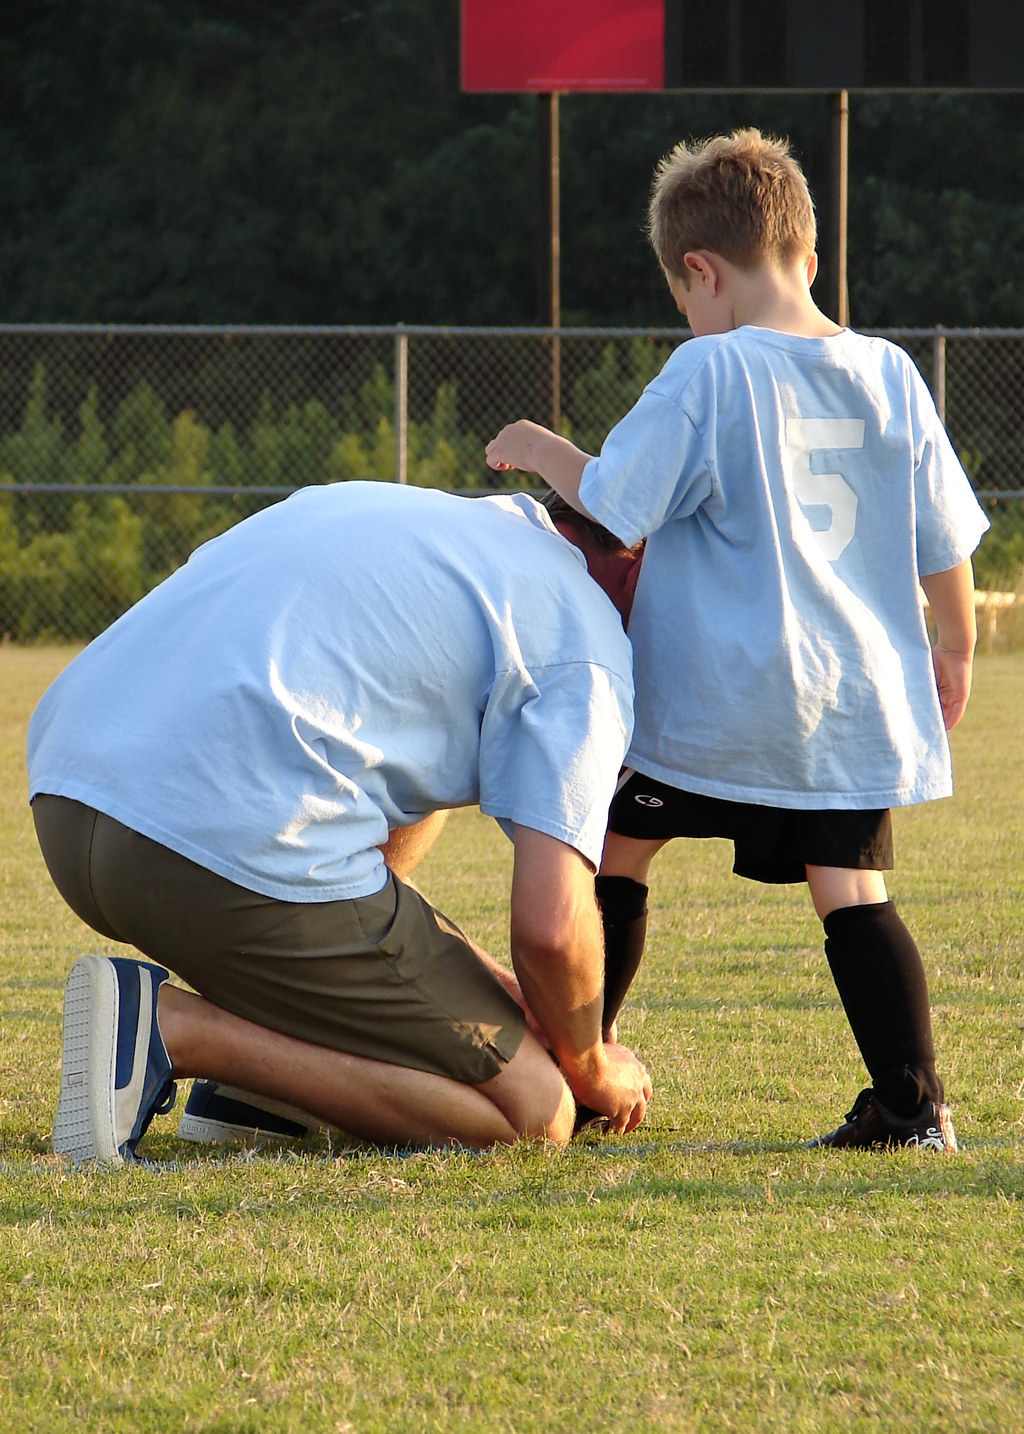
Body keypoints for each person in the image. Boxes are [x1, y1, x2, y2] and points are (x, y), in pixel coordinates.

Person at [485, 128, 989, 1152]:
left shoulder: (708, 374)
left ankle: (588, 1071)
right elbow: (944, 539)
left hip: (714, 703)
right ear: (807, 259)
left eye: (685, 295)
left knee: (615, 856)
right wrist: (953, 647)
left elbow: (619, 505)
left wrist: (541, 447)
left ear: (701, 271)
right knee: (851, 892)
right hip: (848, 703)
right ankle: (911, 1107)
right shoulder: (889, 371)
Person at [27, 480, 652, 1164]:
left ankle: (265, 1091)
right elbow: (552, 930)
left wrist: (492, 991)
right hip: (210, 850)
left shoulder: (436, 521)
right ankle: (176, 1032)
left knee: (407, 814)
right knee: (534, 1109)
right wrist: (590, 1062)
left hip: (68, 798)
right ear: (641, 562)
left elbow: (380, 866)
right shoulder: (586, 637)